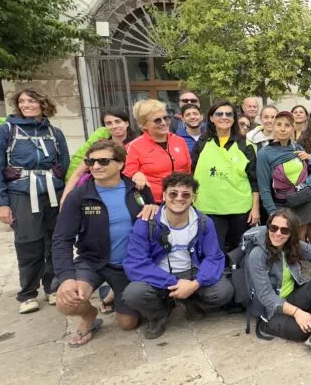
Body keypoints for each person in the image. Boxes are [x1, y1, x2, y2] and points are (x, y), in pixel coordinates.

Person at [52, 141, 156, 346]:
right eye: (91, 161)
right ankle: (89, 315)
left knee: (128, 323)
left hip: (128, 265)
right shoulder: (79, 197)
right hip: (93, 260)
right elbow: (61, 239)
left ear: (119, 164)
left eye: (103, 161)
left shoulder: (138, 190)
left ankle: (114, 292)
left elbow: (152, 220)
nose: (96, 166)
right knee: (67, 302)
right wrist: (66, 278)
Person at [121, 172, 234, 339]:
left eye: (186, 194)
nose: (179, 198)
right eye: (173, 193)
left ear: (193, 198)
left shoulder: (203, 222)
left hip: (192, 274)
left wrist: (196, 283)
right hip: (159, 276)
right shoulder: (147, 222)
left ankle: (193, 303)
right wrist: (174, 283)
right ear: (164, 195)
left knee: (224, 291)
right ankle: (159, 313)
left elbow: (214, 257)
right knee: (133, 294)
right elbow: (135, 263)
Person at [0, 88, 70, 313]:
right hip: (22, 193)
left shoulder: (54, 133)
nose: (26, 104)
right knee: (29, 242)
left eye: (31, 100)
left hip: (52, 193)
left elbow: (63, 164)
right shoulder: (5, 130)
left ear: (42, 103)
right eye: (22, 101)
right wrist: (0, 203)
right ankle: (27, 292)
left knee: (55, 241)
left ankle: (53, 286)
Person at [243, 209, 311, 354]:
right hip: (270, 310)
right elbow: (266, 296)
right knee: (303, 330)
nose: (277, 233)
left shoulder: (293, 245)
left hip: (292, 297)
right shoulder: (257, 255)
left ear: (291, 233)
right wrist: (297, 313)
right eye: (273, 228)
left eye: (284, 230)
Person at [192, 101, 259, 264]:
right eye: (219, 114)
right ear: (211, 118)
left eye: (229, 114)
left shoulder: (246, 146)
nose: (224, 117)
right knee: (215, 251)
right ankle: (219, 285)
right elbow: (192, 173)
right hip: (210, 207)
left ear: (234, 119)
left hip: (240, 208)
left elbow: (254, 180)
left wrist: (255, 208)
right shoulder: (201, 144)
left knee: (240, 251)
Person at [256, 111, 311, 239]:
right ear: (273, 127)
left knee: (309, 244)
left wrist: (309, 158)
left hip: (305, 202)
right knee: (290, 244)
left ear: (293, 128)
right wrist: (273, 213)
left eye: (287, 125)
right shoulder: (264, 154)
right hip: (283, 206)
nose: (283, 129)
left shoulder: (297, 147)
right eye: (279, 124)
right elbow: (264, 188)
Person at [62, 108, 136, 203]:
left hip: (129, 192)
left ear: (127, 123)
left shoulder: (136, 144)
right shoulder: (99, 146)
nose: (114, 126)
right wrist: (64, 200)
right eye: (108, 123)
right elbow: (78, 173)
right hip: (98, 194)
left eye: (118, 121)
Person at [124, 99, 192, 201]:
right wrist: (136, 174)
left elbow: (187, 170)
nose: (164, 123)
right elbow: (128, 172)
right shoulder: (134, 146)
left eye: (166, 118)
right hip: (154, 203)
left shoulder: (180, 141)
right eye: (157, 120)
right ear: (143, 125)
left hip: (181, 200)